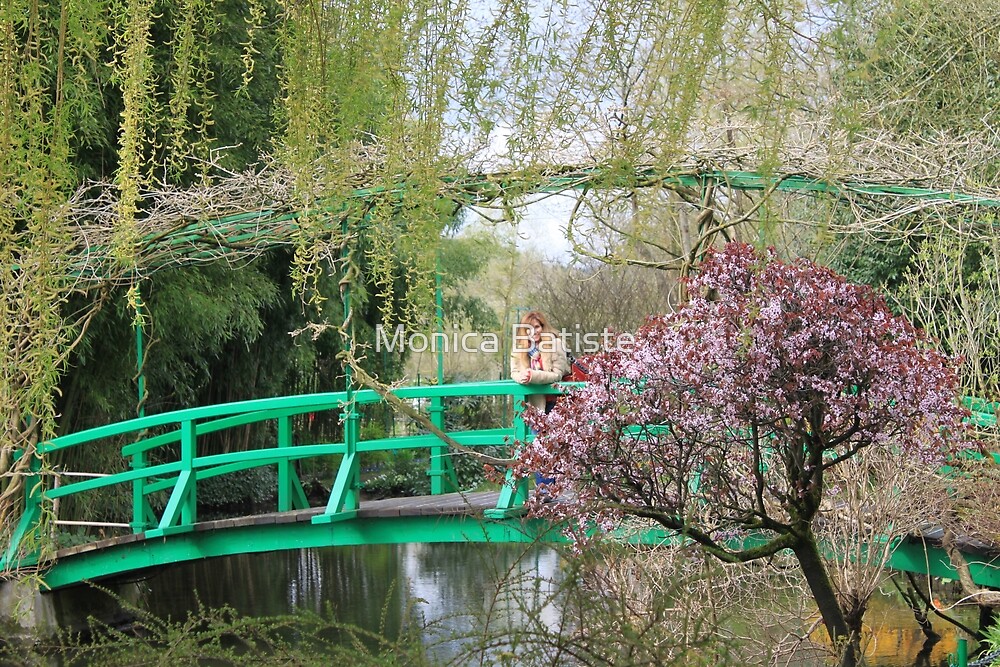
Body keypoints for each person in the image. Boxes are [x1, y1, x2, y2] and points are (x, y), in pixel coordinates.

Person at [510, 310, 569, 495]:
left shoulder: (555, 343)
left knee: (552, 445)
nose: (534, 332)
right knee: (539, 446)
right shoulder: (519, 349)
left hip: (556, 402)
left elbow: (557, 374)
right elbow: (514, 372)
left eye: (537, 327)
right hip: (535, 404)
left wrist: (532, 376)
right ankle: (545, 490)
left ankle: (550, 490)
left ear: (543, 327)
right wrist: (522, 377)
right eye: (529, 328)